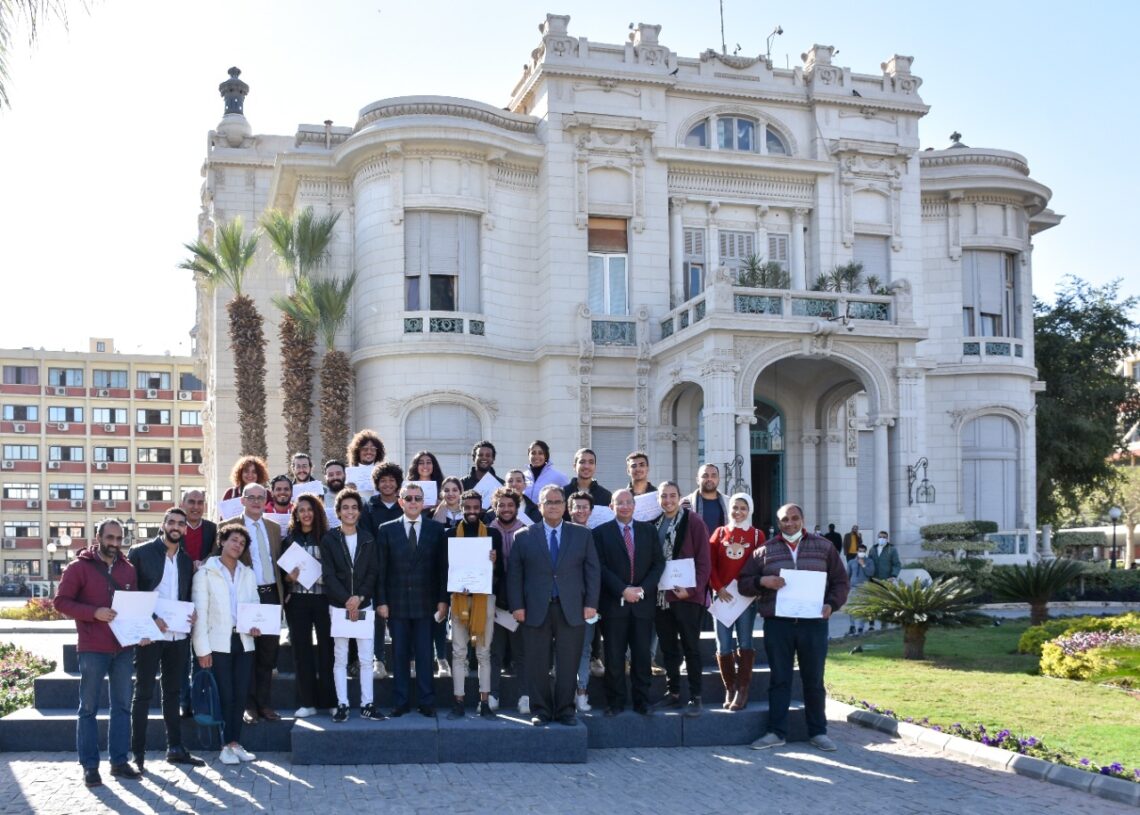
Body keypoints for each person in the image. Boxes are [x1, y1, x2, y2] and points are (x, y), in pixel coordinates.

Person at [738, 503, 850, 752]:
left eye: (794, 518)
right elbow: (744, 583)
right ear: (778, 523)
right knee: (780, 679)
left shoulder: (824, 547)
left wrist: (831, 604)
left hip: (813, 625)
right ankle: (776, 732)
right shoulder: (764, 550)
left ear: (803, 519)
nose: (789, 523)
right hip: (779, 625)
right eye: (784, 519)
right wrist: (762, 581)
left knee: (814, 679)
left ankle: (818, 732)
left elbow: (840, 581)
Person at [54, 518, 144, 787]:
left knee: (122, 708)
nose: (115, 544)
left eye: (119, 539)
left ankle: (119, 762)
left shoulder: (128, 570)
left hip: (124, 649)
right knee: (89, 709)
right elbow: (60, 602)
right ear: (98, 537)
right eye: (110, 538)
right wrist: (93, 613)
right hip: (93, 648)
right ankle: (90, 767)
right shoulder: (78, 567)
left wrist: (142, 630)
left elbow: (134, 606)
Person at [507, 484, 600, 727]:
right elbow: (515, 575)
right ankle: (542, 710)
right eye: (548, 502)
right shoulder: (524, 536)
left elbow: (593, 572)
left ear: (565, 506)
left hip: (572, 609)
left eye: (558, 502)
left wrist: (591, 604)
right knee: (537, 662)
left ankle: (566, 710)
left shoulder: (582, 535)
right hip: (535, 609)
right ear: (540, 506)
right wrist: (517, 606)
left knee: (568, 663)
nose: (553, 506)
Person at [127, 508, 205, 771]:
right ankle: (137, 754)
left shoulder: (185, 560)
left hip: (177, 635)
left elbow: (185, 595)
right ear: (163, 525)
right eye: (171, 521)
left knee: (172, 692)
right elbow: (131, 592)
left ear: (185, 529)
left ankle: (175, 748)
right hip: (149, 634)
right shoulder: (140, 553)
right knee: (144, 693)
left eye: (181, 524)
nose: (176, 526)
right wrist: (149, 618)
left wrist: (191, 613)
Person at [191, 523, 262, 765]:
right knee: (224, 695)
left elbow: (254, 604)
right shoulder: (205, 572)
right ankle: (224, 745)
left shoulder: (248, 573)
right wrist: (202, 649)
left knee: (241, 695)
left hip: (243, 641)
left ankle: (235, 743)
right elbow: (199, 612)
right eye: (233, 540)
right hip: (217, 642)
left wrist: (256, 625)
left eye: (242, 543)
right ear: (222, 541)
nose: (237, 545)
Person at [377, 482, 449, 717]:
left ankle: (427, 701)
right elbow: (382, 570)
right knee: (398, 654)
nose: (413, 502)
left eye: (418, 498)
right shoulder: (386, 529)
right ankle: (401, 701)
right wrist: (382, 601)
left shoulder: (436, 530)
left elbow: (442, 569)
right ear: (401, 501)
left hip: (426, 603)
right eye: (409, 498)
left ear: (424, 502)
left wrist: (442, 600)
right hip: (396, 604)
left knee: (425, 654)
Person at [592, 488, 664, 717]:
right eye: (619, 502)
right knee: (614, 657)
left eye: (628, 502)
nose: (624, 506)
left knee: (642, 656)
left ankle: (642, 701)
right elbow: (600, 567)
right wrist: (622, 590)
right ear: (612, 506)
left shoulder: (648, 531)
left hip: (643, 604)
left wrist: (642, 590)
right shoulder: (600, 533)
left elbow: (658, 565)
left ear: (635, 505)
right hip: (614, 604)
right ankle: (615, 702)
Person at [321, 489, 384, 722]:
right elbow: (328, 574)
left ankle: (367, 704)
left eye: (354, 507)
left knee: (367, 658)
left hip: (364, 605)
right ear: (338, 511)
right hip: (338, 606)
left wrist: (359, 598)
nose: (350, 511)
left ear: (359, 512)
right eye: (345, 507)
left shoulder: (368, 538)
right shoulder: (329, 539)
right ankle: (342, 704)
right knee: (340, 657)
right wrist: (346, 600)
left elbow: (373, 572)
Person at [224, 483, 284, 725]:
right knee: (247, 651)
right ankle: (248, 705)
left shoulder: (273, 527)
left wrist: (285, 592)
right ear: (243, 500)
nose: (257, 501)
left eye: (261, 497)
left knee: (268, 655)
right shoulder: (229, 528)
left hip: (272, 596)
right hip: (246, 597)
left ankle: (264, 703)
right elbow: (217, 557)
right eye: (252, 497)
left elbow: (279, 561)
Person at [651, 481, 711, 716]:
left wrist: (693, 590)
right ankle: (673, 692)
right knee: (667, 648)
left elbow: (704, 560)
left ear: (679, 497)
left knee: (690, 647)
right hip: (662, 596)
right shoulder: (655, 523)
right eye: (663, 496)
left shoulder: (693, 521)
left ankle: (696, 696)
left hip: (687, 596)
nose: (668, 500)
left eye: (672, 495)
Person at [444, 490, 503, 719]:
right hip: (459, 600)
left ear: (481, 508)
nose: (471, 512)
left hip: (484, 600)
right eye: (466, 507)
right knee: (459, 652)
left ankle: (484, 702)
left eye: (475, 507)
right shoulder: (449, 534)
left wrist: (494, 563)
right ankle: (458, 702)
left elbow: (501, 573)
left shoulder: (492, 534)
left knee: (483, 653)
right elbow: (445, 569)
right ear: (460, 507)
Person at [708, 493, 765, 711]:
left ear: (749, 510)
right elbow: (709, 563)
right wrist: (718, 587)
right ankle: (729, 687)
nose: (738, 512)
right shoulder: (720, 532)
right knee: (723, 645)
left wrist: (757, 588)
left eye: (742, 508)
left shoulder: (757, 535)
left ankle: (743, 689)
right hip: (722, 596)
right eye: (734, 507)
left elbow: (763, 564)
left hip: (746, 598)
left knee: (745, 643)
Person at [282, 494, 336, 718]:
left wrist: (324, 576)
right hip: (298, 601)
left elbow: (336, 570)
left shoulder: (328, 538)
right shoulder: (288, 540)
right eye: (301, 510)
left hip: (323, 600)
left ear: (317, 512)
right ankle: (307, 702)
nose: (306, 513)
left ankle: (330, 701)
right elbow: (283, 576)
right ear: (296, 514)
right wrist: (289, 578)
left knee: (327, 650)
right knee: (301, 651)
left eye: (310, 509)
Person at [488, 486, 530, 714]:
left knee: (521, 652)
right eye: (501, 505)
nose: (505, 509)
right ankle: (492, 694)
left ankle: (524, 695)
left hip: (520, 602)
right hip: (494, 600)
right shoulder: (486, 531)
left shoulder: (527, 532)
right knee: (495, 651)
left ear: (517, 507)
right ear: (495, 507)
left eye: (510, 505)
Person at [178, 489, 216, 717]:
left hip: (204, 596)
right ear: (182, 503)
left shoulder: (212, 529)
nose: (195, 506)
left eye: (200, 502)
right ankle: (184, 701)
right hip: (179, 597)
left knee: (201, 650)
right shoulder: (174, 526)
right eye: (191, 502)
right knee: (182, 654)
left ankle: (199, 699)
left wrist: (206, 562)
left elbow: (217, 553)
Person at [566, 491, 601, 712]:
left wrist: (594, 602)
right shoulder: (562, 533)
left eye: (584, 507)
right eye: (576, 507)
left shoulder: (598, 535)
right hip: (564, 600)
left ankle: (582, 691)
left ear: (591, 510)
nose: (580, 511)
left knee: (585, 648)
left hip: (589, 602)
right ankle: (565, 692)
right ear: (569, 509)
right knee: (563, 649)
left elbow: (597, 572)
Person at [683, 464, 729, 535]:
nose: (709, 479)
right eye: (705, 476)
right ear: (697, 480)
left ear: (718, 479)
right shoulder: (686, 502)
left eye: (713, 476)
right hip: (696, 545)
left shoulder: (729, 502)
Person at [522, 440, 569, 504]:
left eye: (540, 453)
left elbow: (568, 499)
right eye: (533, 453)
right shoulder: (522, 477)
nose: (536, 456)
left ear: (546, 456)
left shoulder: (558, 476)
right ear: (529, 455)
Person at [846, 543, 872, 636]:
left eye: (863, 551)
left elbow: (871, 573)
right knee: (851, 608)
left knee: (862, 609)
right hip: (853, 588)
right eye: (860, 551)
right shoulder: (851, 562)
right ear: (857, 551)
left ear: (866, 552)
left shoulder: (869, 561)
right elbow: (847, 575)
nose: (861, 553)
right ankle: (852, 627)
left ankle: (860, 628)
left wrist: (863, 565)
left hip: (864, 588)